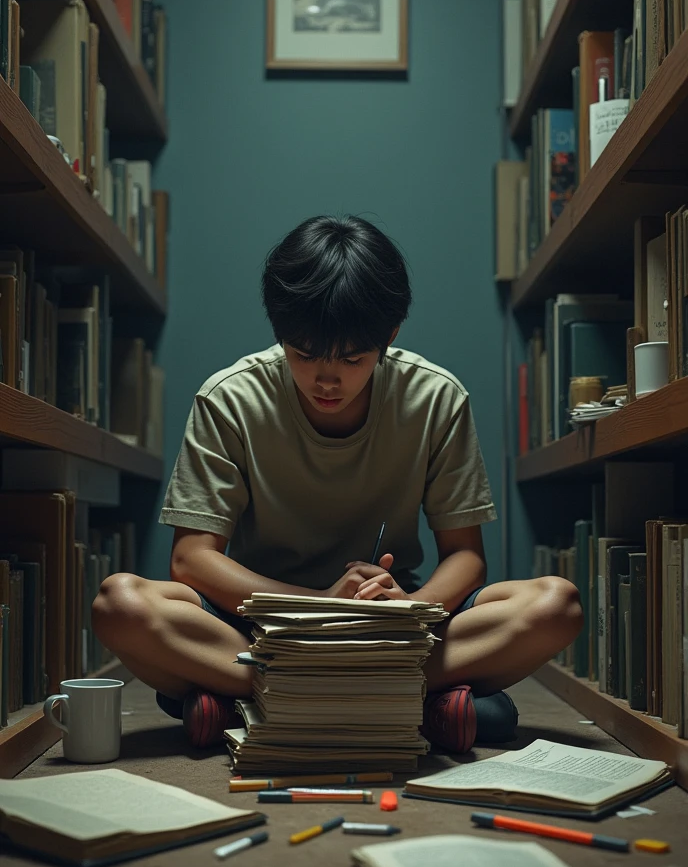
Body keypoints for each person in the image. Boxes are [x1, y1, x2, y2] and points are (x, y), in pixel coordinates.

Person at [92, 215, 583, 750]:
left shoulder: (436, 398)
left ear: (388, 336)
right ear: (280, 334)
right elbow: (191, 559)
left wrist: (406, 609)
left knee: (557, 605)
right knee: (120, 604)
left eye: (352, 359)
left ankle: (254, 698)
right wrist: (316, 605)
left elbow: (466, 556)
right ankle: (407, 701)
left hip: (392, 631)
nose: (327, 380)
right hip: (263, 627)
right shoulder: (229, 399)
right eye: (304, 355)